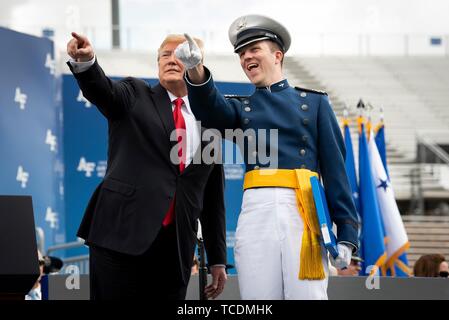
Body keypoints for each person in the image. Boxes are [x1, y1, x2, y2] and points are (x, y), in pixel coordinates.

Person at [175, 14, 359, 299]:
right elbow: (210, 109)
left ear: (277, 55)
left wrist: (346, 233)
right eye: (241, 53)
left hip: (304, 213)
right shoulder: (240, 108)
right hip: (256, 213)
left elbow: (336, 173)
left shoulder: (316, 103)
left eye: (253, 49)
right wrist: (196, 69)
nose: (246, 57)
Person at [66, 32, 227, 300]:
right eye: (165, 55)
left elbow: (212, 198)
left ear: (198, 64)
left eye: (181, 55)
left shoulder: (211, 122)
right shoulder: (135, 93)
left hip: (175, 251)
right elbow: (103, 90)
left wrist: (218, 260)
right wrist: (87, 63)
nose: (172, 60)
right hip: (120, 237)